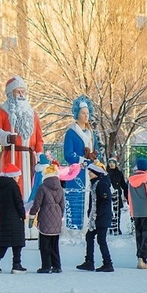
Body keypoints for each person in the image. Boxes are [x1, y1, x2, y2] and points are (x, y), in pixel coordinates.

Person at [0, 76, 44, 200]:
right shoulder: (1, 112)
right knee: (12, 188)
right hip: (11, 156)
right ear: (10, 93)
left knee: (30, 187)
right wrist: (7, 138)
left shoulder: (32, 114)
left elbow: (39, 138)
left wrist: (40, 154)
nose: (21, 95)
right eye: (17, 92)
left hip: (30, 158)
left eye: (22, 92)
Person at [62, 95, 97, 231]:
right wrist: (82, 159)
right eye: (83, 113)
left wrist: (94, 157)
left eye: (87, 113)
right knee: (76, 198)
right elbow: (68, 154)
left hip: (90, 171)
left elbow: (96, 150)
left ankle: (86, 225)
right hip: (76, 173)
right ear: (77, 114)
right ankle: (74, 227)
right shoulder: (71, 132)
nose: (86, 116)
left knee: (89, 199)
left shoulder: (91, 133)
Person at [0, 163, 26, 274]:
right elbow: (18, 202)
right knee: (17, 243)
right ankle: (16, 264)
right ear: (13, 176)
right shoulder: (14, 186)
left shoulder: (2, 187)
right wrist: (22, 214)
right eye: (18, 175)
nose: (18, 177)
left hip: (5, 217)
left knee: (4, 243)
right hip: (15, 218)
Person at [78, 160, 114, 272]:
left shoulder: (102, 184)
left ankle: (108, 263)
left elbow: (106, 201)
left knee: (101, 239)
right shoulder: (95, 183)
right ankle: (89, 261)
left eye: (91, 172)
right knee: (89, 236)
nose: (89, 174)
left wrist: (98, 214)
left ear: (96, 173)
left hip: (101, 217)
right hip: (96, 217)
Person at [30, 160, 64, 273]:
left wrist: (32, 215)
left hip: (45, 216)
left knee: (44, 244)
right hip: (57, 216)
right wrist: (60, 216)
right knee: (55, 244)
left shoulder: (42, 187)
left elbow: (37, 203)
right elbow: (62, 205)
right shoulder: (60, 188)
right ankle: (57, 266)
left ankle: (46, 266)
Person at [127, 157, 147, 269]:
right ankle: (143, 259)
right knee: (146, 236)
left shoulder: (131, 180)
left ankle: (139, 257)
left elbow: (129, 197)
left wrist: (132, 210)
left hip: (136, 212)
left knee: (139, 235)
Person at [105, 157, 128, 235]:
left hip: (117, 195)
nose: (111, 164)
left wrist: (127, 194)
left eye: (113, 162)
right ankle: (110, 227)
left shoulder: (119, 173)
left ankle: (117, 227)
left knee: (117, 211)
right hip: (108, 195)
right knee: (109, 211)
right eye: (110, 162)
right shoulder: (105, 173)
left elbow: (123, 184)